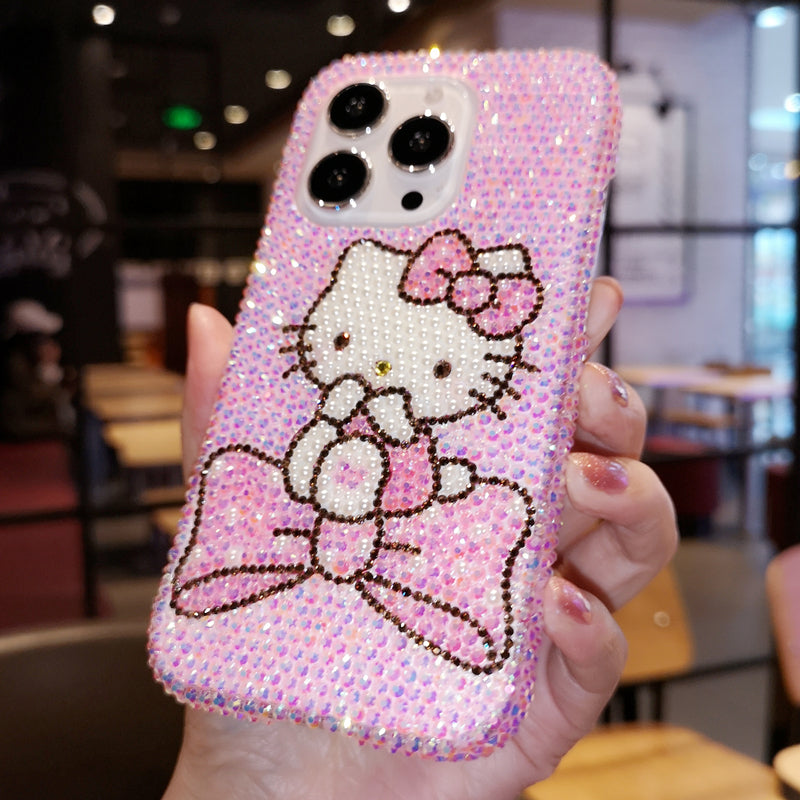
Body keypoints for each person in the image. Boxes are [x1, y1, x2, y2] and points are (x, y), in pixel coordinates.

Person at [161, 277, 677, 800]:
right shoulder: (334, 421)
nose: (385, 372)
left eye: (441, 368)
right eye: (346, 339)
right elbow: (303, 470)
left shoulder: (407, 446)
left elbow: (409, 487)